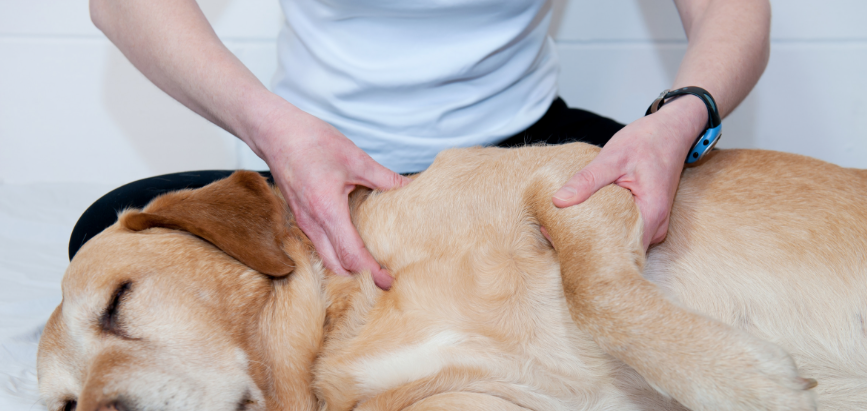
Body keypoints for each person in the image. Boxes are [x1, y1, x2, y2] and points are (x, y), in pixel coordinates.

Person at [83, 0, 770, 290]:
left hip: (518, 162)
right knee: (108, 241)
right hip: (317, 172)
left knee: (720, 232)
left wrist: (679, 118)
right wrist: (272, 126)